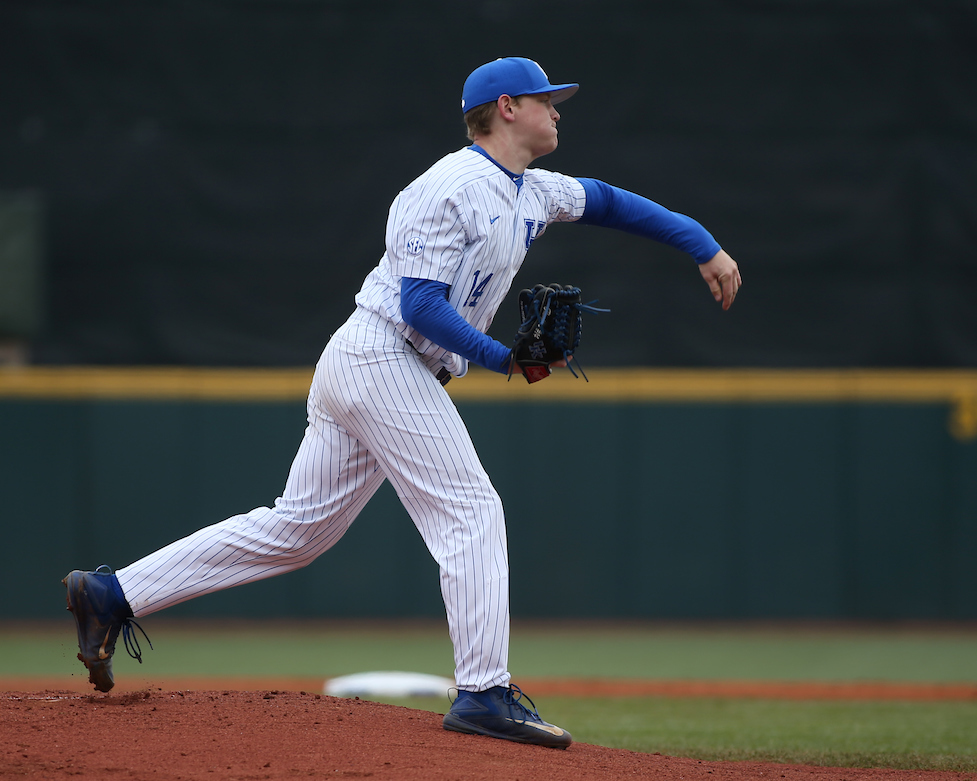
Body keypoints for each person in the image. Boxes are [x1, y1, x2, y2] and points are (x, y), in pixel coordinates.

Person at [62, 56, 742, 749]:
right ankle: (483, 691)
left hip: (382, 366)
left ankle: (113, 593)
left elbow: (611, 202)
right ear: (506, 107)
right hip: (381, 353)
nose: (558, 111)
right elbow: (420, 304)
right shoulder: (445, 187)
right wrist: (504, 358)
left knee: (298, 530)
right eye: (546, 100)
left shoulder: (535, 190)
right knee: (471, 508)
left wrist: (704, 246)